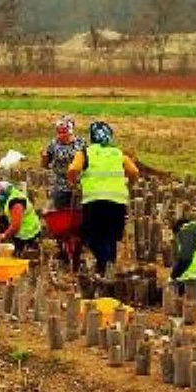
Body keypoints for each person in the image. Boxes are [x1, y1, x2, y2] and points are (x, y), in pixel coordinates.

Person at [66, 120, 139, 292]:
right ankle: (108, 269)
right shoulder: (118, 154)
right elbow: (134, 172)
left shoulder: (85, 153)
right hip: (117, 203)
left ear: (91, 137)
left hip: (94, 201)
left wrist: (74, 183)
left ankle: (104, 265)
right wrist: (129, 185)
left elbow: (73, 170)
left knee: (91, 237)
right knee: (110, 237)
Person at [0, 180, 43, 257]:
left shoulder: (16, 201)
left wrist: (4, 235)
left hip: (28, 231)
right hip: (15, 231)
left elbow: (16, 225)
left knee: (25, 256)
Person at [40, 116, 85, 210]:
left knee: (78, 213)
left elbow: (87, 163)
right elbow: (45, 165)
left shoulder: (81, 143)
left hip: (78, 185)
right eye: (58, 132)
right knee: (61, 213)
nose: (60, 135)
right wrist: (44, 157)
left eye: (63, 132)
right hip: (59, 186)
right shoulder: (53, 144)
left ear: (70, 131)